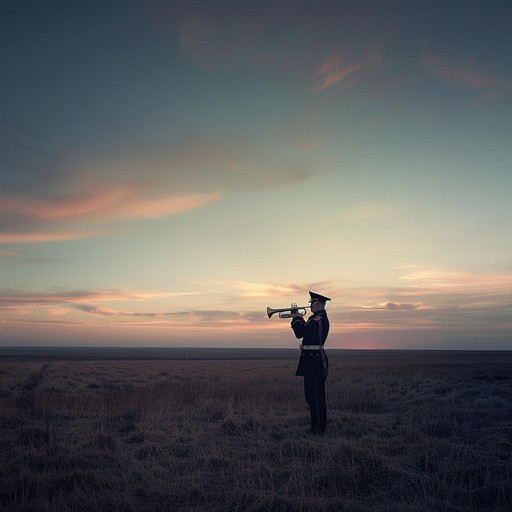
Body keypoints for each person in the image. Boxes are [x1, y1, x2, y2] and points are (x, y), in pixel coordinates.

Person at [291, 291, 331, 435]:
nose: (310, 306)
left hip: (314, 361)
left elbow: (300, 333)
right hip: (311, 361)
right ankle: (315, 428)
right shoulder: (314, 319)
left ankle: (319, 430)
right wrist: (299, 318)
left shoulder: (318, 319)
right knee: (311, 397)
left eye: (312, 303)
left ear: (319, 303)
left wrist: (296, 318)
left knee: (316, 398)